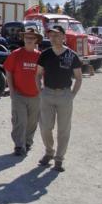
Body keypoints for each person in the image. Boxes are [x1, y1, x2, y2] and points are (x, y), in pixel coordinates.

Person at [35, 25, 82, 172]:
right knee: (45, 127)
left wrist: (72, 95)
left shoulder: (72, 55)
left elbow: (79, 78)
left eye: (56, 35)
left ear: (63, 37)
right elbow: (38, 74)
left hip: (64, 95)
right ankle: (49, 152)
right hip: (47, 94)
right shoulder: (45, 54)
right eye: (51, 35)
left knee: (64, 129)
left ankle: (59, 159)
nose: (53, 38)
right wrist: (40, 91)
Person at [4, 28, 42, 156]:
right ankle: (19, 145)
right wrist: (11, 90)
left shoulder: (40, 56)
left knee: (32, 121)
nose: (29, 40)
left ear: (36, 40)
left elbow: (45, 74)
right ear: (23, 39)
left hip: (35, 95)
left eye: (32, 38)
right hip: (19, 94)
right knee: (20, 121)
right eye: (27, 37)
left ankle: (27, 142)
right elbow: (8, 71)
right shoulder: (16, 54)